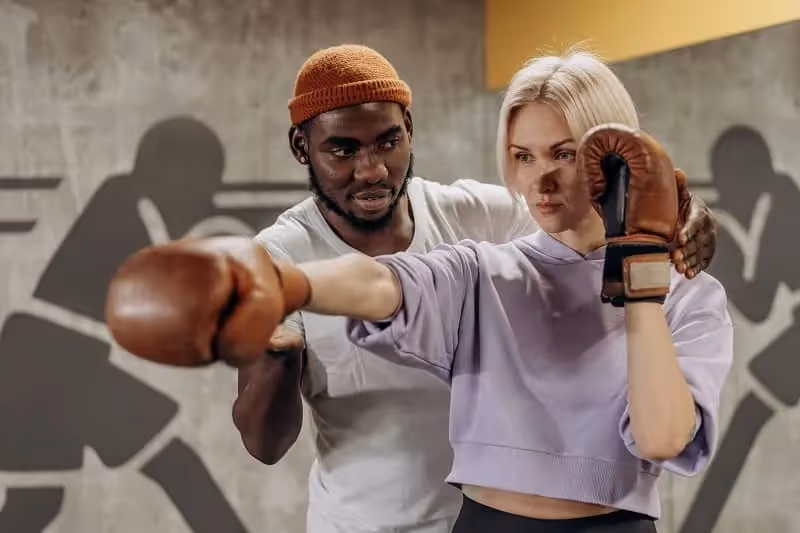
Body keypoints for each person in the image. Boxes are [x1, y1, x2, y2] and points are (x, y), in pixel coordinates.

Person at [104, 46, 721, 533]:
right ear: (304, 148)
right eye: (523, 157)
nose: (370, 170)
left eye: (387, 143)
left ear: (409, 133)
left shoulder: (480, 216)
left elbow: (575, 232)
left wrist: (667, 229)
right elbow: (380, 283)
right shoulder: (467, 266)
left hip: (475, 513)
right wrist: (273, 286)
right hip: (375, 521)